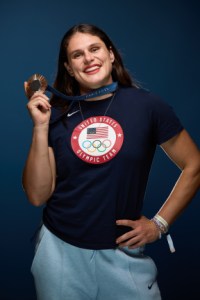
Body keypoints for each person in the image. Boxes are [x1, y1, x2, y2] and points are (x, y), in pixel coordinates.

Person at [22, 23, 200, 300]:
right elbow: (36, 195)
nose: (88, 58)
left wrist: (159, 224)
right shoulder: (55, 113)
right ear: (69, 67)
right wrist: (40, 127)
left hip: (122, 255)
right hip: (58, 252)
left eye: (94, 49)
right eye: (77, 55)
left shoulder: (148, 106)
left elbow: (195, 165)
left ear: (111, 54)